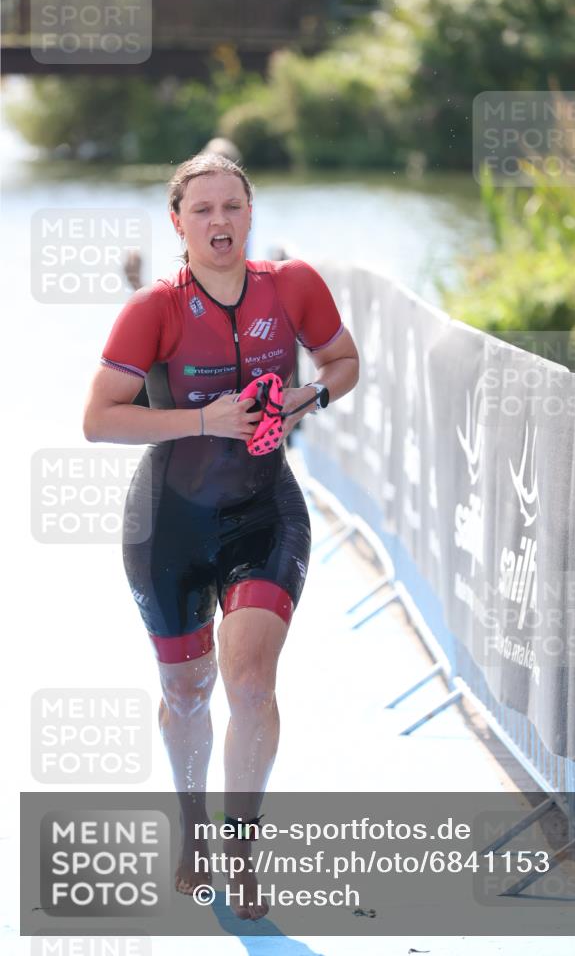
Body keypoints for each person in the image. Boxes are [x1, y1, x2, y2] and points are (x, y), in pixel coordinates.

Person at [83, 153, 360, 918]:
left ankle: (239, 842)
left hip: (264, 513)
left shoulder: (292, 286)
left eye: (231, 207)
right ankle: (192, 826)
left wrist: (306, 394)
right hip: (167, 524)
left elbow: (343, 361)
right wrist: (206, 419)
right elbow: (98, 418)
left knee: (248, 681)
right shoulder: (154, 308)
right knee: (185, 692)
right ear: (177, 223)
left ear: (249, 213)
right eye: (200, 210)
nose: (218, 223)